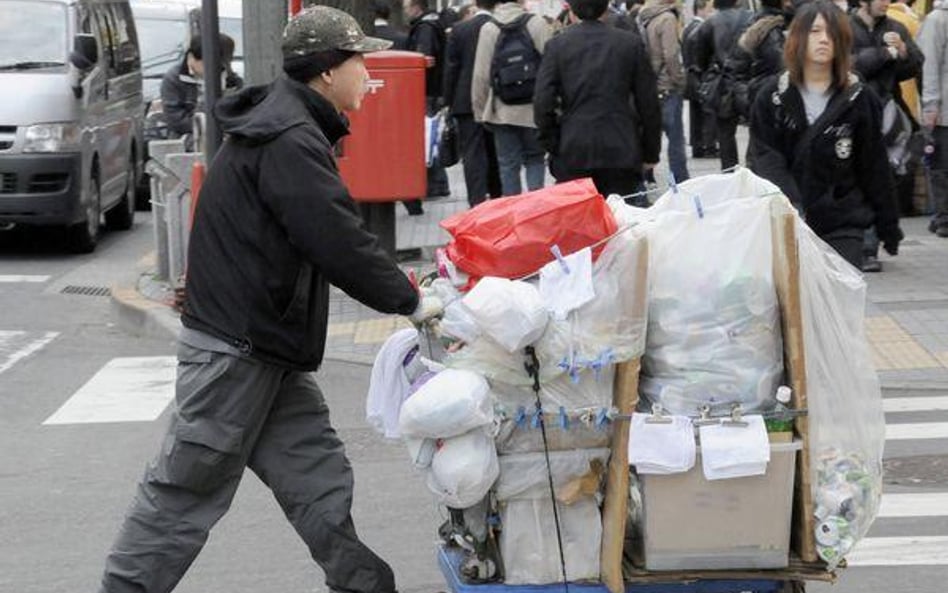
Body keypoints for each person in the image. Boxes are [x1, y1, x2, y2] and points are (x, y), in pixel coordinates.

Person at [96, 7, 442, 593]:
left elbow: (326, 234)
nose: (370, 72)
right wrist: (407, 299)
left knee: (317, 474)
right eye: (361, 60)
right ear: (328, 72)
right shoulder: (288, 137)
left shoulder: (291, 125)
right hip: (236, 351)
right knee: (187, 486)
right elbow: (333, 236)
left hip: (267, 347)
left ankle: (361, 583)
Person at [749, 0, 903, 268]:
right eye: (815, 31)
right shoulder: (772, 96)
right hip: (787, 221)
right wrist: (790, 204)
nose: (824, 40)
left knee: (837, 304)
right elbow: (764, 156)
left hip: (842, 224)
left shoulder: (859, 97)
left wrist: (888, 225)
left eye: (832, 33)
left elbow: (873, 164)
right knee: (796, 307)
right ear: (798, 37)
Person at [534, 0, 662, 198]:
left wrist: (553, 144)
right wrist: (651, 152)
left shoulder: (557, 45)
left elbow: (543, 102)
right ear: (605, 10)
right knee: (622, 219)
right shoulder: (629, 43)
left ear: (572, 12)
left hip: (574, 146)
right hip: (621, 145)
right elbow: (648, 103)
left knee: (580, 220)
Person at [850, 0, 923, 271]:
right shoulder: (844, 26)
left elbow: (914, 66)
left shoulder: (896, 27)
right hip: (851, 112)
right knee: (855, 179)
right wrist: (884, 54)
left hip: (887, 115)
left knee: (882, 179)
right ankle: (863, 243)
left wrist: (903, 52)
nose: (884, 2)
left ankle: (873, 243)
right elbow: (847, 66)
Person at [472, 0, 553, 195]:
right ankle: (537, 210)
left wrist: (480, 111)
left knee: (508, 165)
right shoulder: (537, 23)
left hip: (502, 109)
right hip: (534, 109)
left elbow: (481, 75)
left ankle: (514, 215)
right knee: (535, 159)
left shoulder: (489, 28)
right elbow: (551, 67)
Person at [443, 0, 503, 206]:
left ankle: (476, 200)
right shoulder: (500, 26)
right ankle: (497, 195)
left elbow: (451, 68)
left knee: (472, 152)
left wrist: (448, 100)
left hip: (465, 99)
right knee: (496, 149)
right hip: (496, 99)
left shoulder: (460, 30)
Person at [692, 0, 754, 171]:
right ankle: (753, 169)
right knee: (757, 131)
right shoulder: (750, 18)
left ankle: (730, 174)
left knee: (726, 134)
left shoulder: (710, 23)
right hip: (748, 81)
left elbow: (700, 58)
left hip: (723, 84)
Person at [639, 0, 690, 182]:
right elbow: (671, 54)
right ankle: (681, 180)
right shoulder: (667, 18)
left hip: (652, 85)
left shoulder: (647, 17)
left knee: (651, 135)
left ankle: (643, 179)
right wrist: (679, 80)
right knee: (676, 139)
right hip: (667, 85)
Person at [406, 0, 451, 198]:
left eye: (408, 7)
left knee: (428, 137)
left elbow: (423, 58)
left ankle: (436, 183)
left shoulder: (425, 28)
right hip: (434, 90)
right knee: (430, 136)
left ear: (417, 7)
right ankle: (438, 182)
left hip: (426, 91)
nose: (406, 11)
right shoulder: (434, 24)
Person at [160, 33, 241, 140]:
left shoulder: (229, 78)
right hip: (189, 138)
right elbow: (176, 121)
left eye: (220, 66)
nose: (215, 70)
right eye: (209, 65)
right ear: (191, 57)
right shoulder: (174, 79)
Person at [917, 0, 948, 237]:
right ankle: (943, 217)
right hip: (943, 111)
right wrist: (931, 105)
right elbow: (929, 65)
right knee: (940, 166)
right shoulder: (938, 19)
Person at [683, 0, 719, 158]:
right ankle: (709, 145)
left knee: (695, 114)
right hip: (702, 75)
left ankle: (697, 145)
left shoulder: (687, 29)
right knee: (708, 113)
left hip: (690, 76)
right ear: (701, 9)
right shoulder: (701, 29)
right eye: (709, 9)